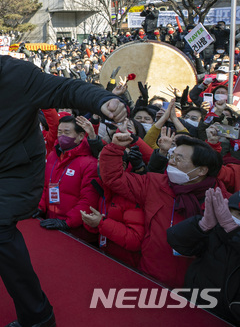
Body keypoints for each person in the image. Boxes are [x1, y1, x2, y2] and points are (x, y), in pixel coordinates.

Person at [0, 32, 126, 327]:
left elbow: (66, 88)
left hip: (13, 168)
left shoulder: (20, 76)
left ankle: (38, 316)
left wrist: (104, 100)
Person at [99, 132, 229, 287]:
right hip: (150, 275)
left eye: (178, 159)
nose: (171, 163)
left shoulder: (224, 202)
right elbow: (114, 179)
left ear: (202, 170)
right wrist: (115, 149)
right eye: (172, 157)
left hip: (195, 288)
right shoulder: (154, 183)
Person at [167, 188, 240, 324]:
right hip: (196, 307)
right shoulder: (216, 231)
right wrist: (202, 225)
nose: (235, 218)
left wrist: (232, 231)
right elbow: (176, 241)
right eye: (232, 212)